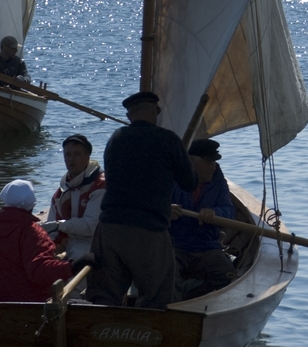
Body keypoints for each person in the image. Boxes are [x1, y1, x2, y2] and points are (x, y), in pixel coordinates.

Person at [85, 91, 197, 310]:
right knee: (156, 298)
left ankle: (102, 329)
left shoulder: (115, 139)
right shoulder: (168, 140)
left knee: (104, 298)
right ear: (156, 112)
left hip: (110, 228)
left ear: (129, 116)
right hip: (148, 231)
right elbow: (190, 183)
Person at [0, 180, 79, 302]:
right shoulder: (33, 233)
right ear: (31, 205)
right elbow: (41, 272)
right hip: (37, 305)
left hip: (3, 305)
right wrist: (71, 267)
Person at [169, 139, 237, 300]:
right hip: (174, 245)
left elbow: (229, 211)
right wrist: (166, 210)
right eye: (208, 162)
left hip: (206, 247)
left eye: (214, 161)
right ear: (191, 162)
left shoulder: (217, 180)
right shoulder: (171, 178)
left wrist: (215, 213)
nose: (213, 167)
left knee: (227, 277)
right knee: (165, 278)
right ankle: (174, 305)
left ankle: (190, 295)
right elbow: (151, 206)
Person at [41, 134, 106, 264]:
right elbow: (52, 230)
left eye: (77, 154)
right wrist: (51, 248)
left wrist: (60, 225)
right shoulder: (60, 193)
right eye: (68, 154)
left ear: (87, 157)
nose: (71, 159)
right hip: (72, 243)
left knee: (78, 254)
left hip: (97, 243)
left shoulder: (100, 185)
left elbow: (91, 226)